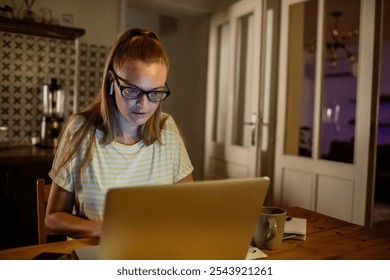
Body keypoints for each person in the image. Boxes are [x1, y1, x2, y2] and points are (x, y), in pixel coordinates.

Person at [45, 28, 194, 239]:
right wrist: (102, 229)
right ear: (112, 82)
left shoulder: (167, 128)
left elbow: (190, 204)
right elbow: (53, 218)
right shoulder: (79, 131)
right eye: (132, 91)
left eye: (155, 93)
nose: (144, 105)